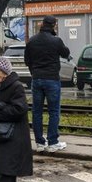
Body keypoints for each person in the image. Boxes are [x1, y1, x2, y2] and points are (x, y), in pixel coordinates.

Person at [24, 15, 70, 153]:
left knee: (36, 111)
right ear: (54, 25)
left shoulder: (31, 41)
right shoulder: (56, 41)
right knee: (54, 111)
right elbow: (65, 53)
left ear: (42, 24)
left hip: (37, 79)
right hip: (52, 79)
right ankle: (53, 142)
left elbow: (27, 61)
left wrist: (34, 72)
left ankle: (39, 143)